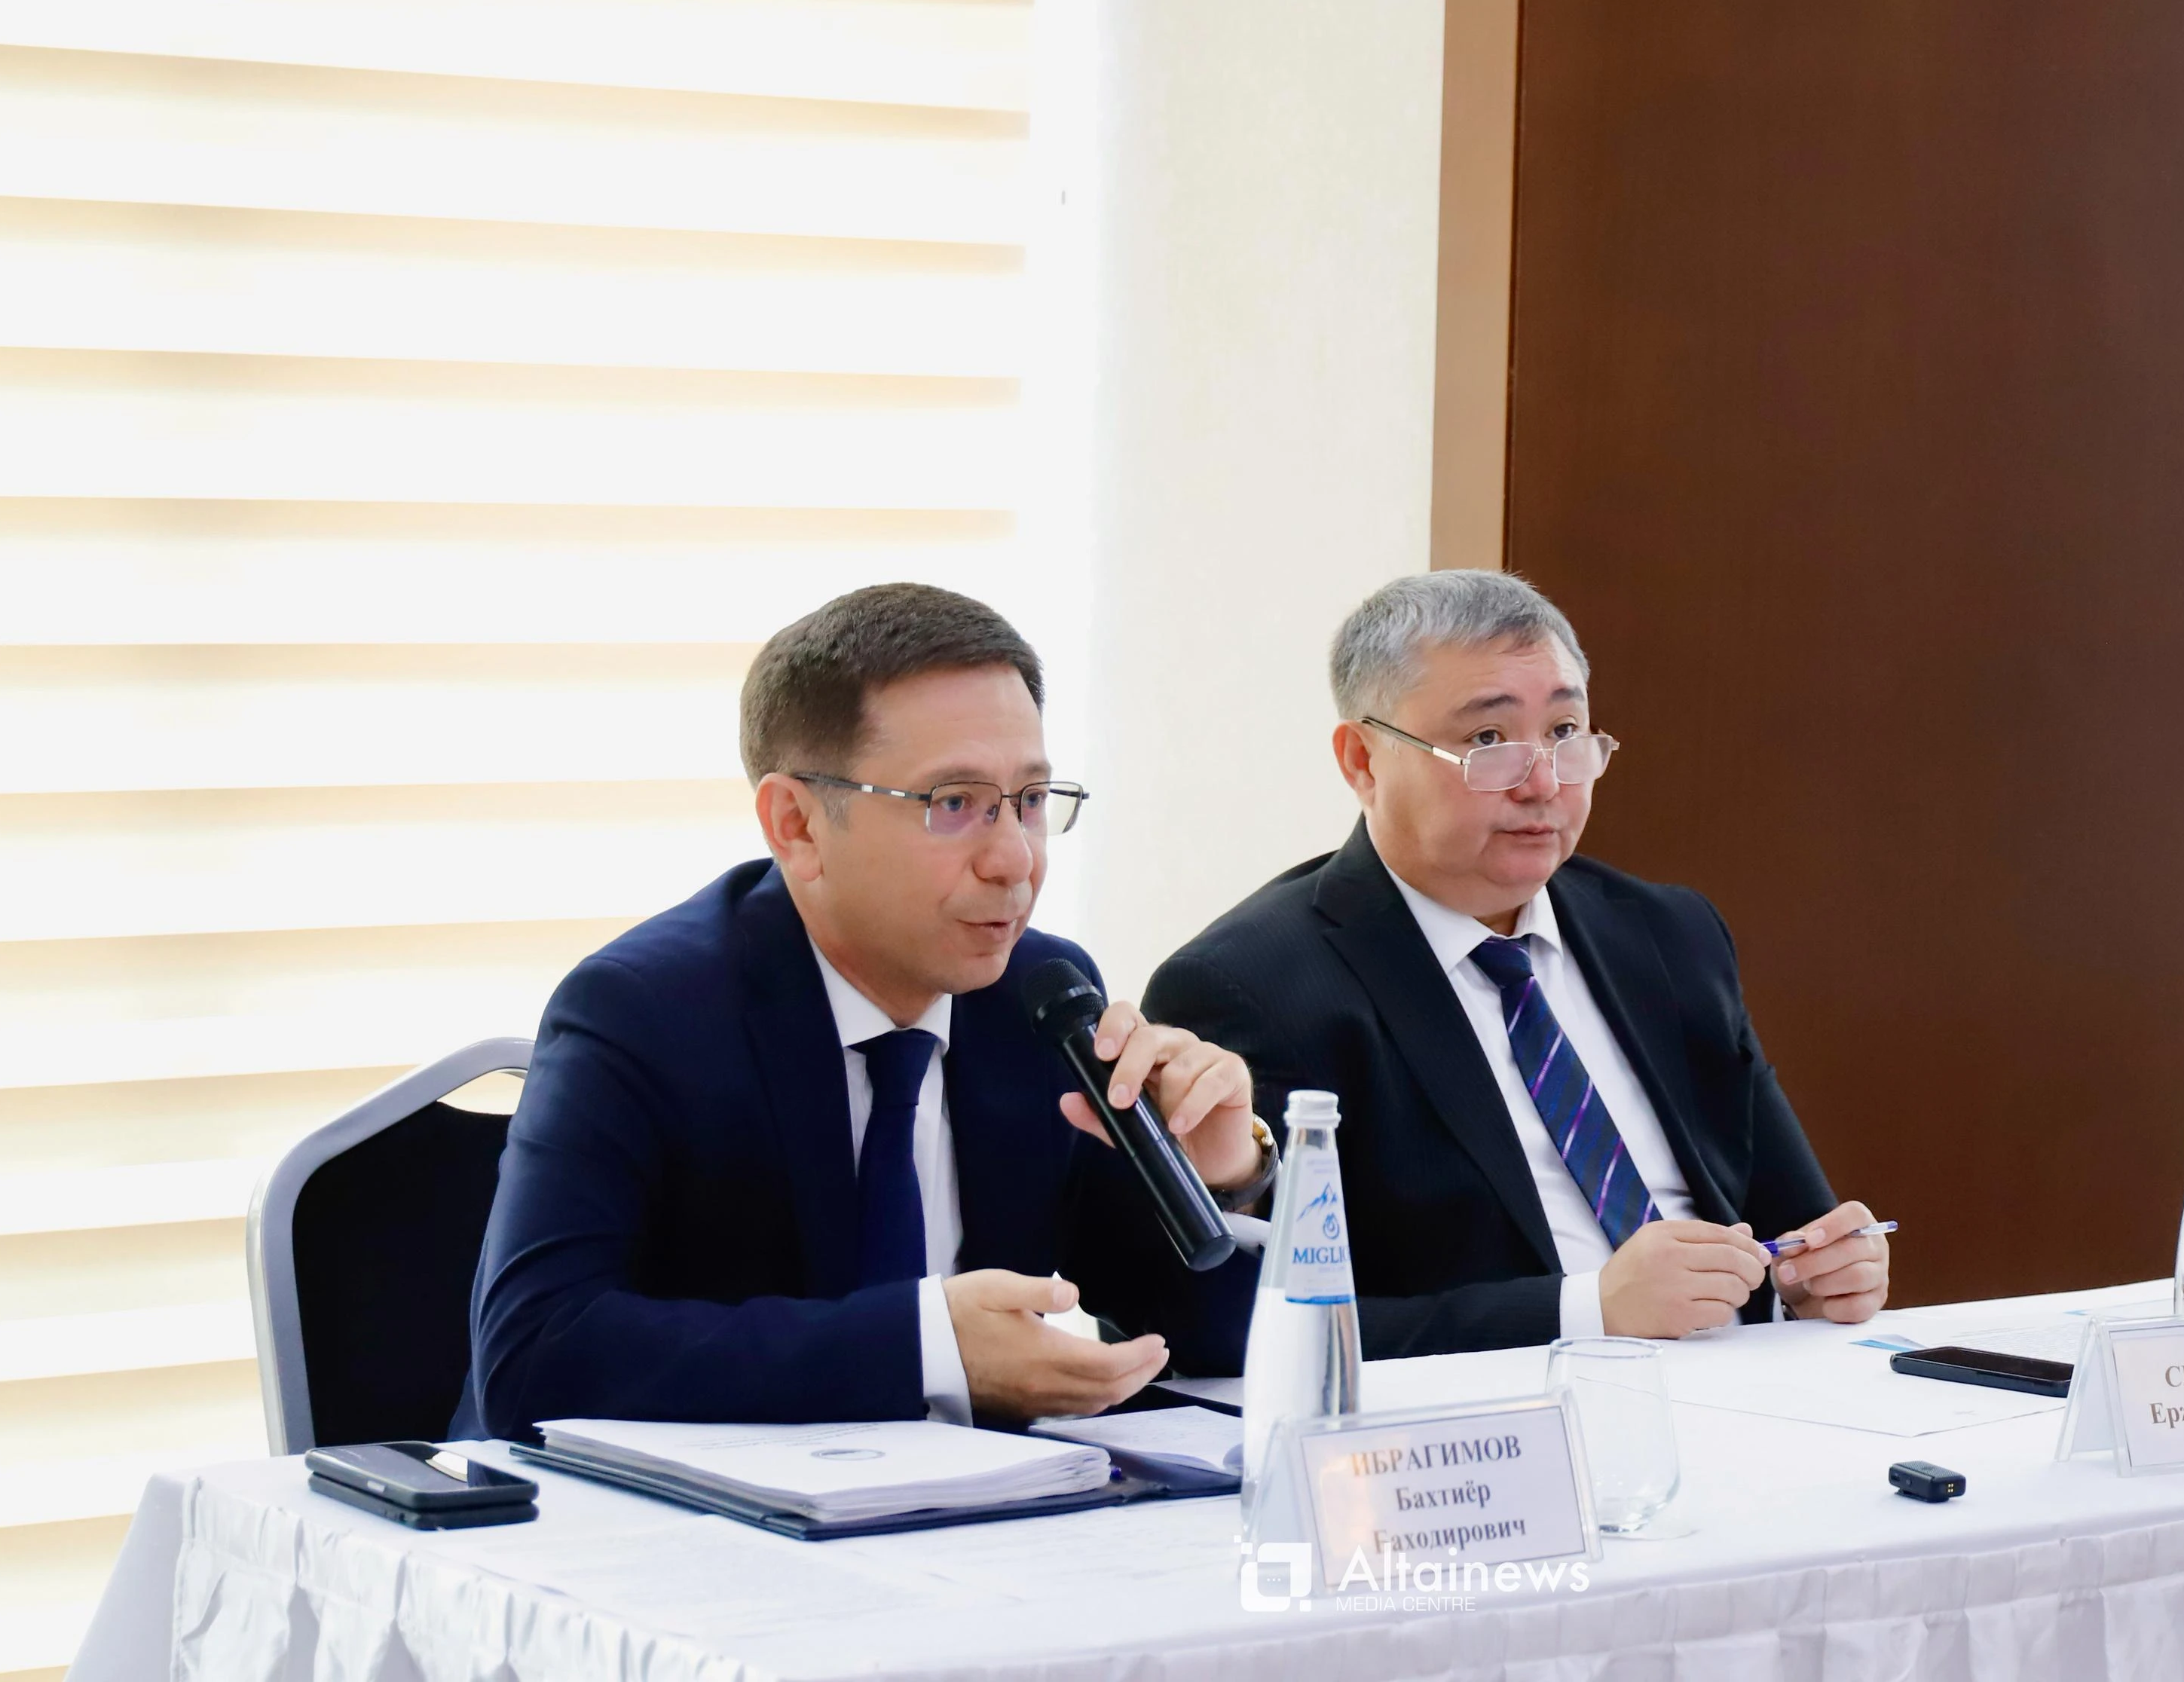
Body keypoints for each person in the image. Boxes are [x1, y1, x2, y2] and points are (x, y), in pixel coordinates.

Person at [457, 585, 1271, 1439]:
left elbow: (1213, 1340)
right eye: (952, 803)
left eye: (1031, 800)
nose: (1013, 859)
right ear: (797, 825)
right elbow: (534, 1355)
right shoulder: (645, 1010)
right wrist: (925, 1348)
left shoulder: (1036, 994)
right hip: (683, 1512)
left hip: (972, 1506)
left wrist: (1222, 1178)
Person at [1143, 570, 1886, 1358]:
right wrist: (1585, 1309)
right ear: (1362, 759)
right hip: (1496, 1419)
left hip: (1747, 1396)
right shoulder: (1251, 986)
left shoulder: (1668, 934)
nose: (1542, 782)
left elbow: (1794, 1226)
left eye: (1565, 731)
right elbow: (1231, 1326)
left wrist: (1823, 1271)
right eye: (1488, 742)